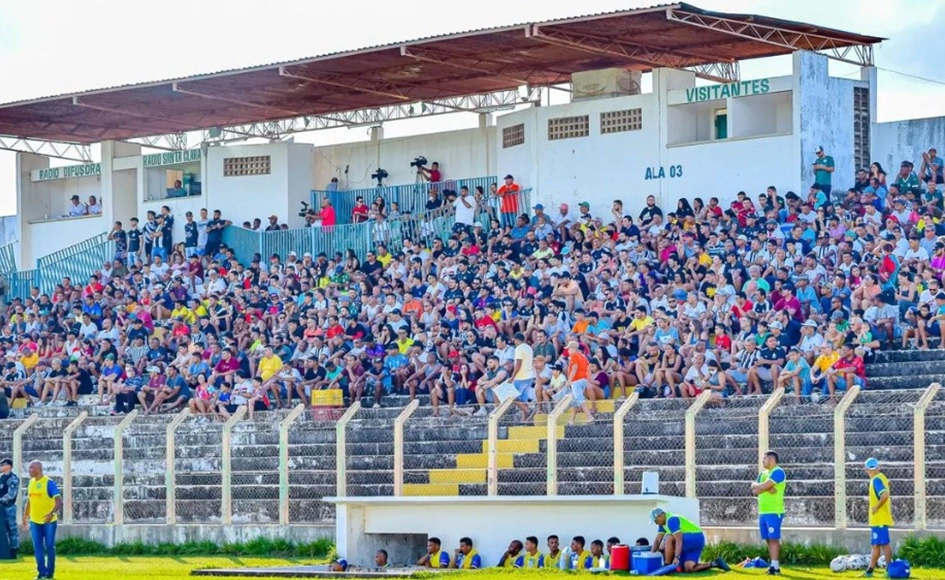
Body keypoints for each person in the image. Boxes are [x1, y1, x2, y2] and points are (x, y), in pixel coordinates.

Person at [649, 508, 728, 573]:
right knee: (689, 568)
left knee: (669, 538)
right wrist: (650, 554)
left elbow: (679, 540)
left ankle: (667, 565)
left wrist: (677, 557)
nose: (656, 523)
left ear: (660, 516)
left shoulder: (671, 520)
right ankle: (715, 563)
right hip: (695, 541)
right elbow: (658, 539)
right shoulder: (662, 524)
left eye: (655, 520)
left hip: (693, 537)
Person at [22, 460, 61, 580]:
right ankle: (41, 572)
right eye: (29, 468)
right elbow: (30, 500)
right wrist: (25, 516)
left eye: (31, 468)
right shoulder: (31, 483)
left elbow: (59, 501)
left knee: (49, 545)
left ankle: (50, 572)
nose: (29, 470)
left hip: (49, 521)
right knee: (37, 547)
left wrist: (52, 513)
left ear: (39, 469)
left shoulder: (49, 483)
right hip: (35, 521)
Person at [752, 450, 786, 575]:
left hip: (774, 511)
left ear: (772, 459)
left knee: (773, 538)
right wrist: (763, 487)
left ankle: (775, 567)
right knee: (767, 538)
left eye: (764, 459)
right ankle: (773, 564)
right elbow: (754, 490)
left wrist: (762, 487)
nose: (762, 461)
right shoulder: (763, 474)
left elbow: (762, 487)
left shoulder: (778, 472)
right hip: (763, 512)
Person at [864, 457, 893, 578]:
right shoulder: (879, 478)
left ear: (866, 470)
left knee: (884, 544)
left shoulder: (876, 480)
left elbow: (884, 495)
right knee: (876, 545)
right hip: (878, 520)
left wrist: (876, 507)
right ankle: (870, 570)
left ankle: (888, 569)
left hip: (879, 519)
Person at [0, 458, 19, 558]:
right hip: (0, 508)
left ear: (9, 466)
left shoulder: (13, 479)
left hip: (8, 507)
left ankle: (14, 548)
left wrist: (1, 500)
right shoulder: (1, 478)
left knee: (11, 528)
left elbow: (11, 494)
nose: (1, 466)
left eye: (2, 464)